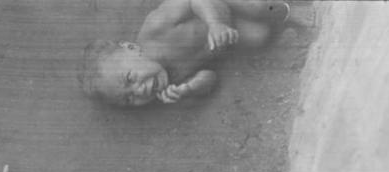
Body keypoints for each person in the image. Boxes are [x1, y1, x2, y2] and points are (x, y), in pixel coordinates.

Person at [79, 0, 291, 106]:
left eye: (130, 78)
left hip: (216, 6)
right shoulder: (171, 84)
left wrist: (215, 23)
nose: (140, 91)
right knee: (259, 36)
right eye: (130, 98)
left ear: (132, 48)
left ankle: (299, 10)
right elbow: (211, 77)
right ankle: (287, 20)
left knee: (259, 6)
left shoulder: (156, 28)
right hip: (230, 28)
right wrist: (191, 88)